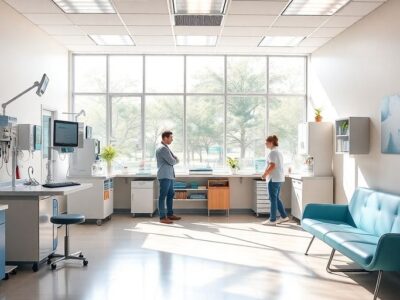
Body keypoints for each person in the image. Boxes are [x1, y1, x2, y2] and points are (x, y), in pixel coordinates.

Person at [261, 135, 290, 226]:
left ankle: (272, 220)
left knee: (272, 199)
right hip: (279, 178)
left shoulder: (272, 153)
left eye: (266, 142)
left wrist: (265, 174)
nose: (265, 144)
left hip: (273, 179)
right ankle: (284, 216)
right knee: (276, 198)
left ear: (271, 143)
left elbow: (272, 165)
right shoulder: (278, 152)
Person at [156, 130, 181, 224]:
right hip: (164, 176)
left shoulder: (166, 147)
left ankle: (170, 214)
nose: (172, 139)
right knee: (163, 196)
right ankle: (162, 217)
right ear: (165, 138)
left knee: (170, 194)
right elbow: (172, 161)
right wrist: (176, 160)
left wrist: (175, 159)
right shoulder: (162, 148)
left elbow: (173, 158)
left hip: (169, 175)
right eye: (171, 137)